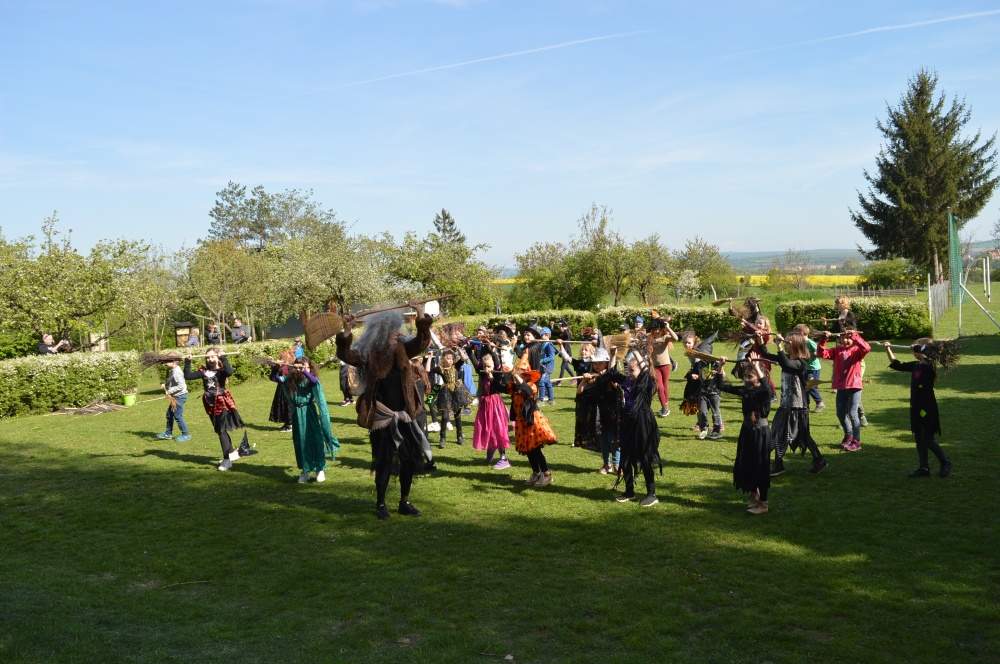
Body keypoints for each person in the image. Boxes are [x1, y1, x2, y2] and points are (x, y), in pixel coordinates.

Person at [336, 302, 433, 521]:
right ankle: (381, 504)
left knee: (409, 460)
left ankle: (404, 502)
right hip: (382, 415)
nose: (396, 333)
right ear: (381, 332)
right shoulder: (369, 353)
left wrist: (420, 313)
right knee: (384, 462)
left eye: (395, 329)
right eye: (391, 330)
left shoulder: (402, 348)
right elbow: (346, 355)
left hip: (405, 414)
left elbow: (423, 341)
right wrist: (347, 330)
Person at [758, 334, 828, 476]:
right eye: (785, 343)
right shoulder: (786, 359)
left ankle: (819, 460)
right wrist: (760, 341)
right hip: (786, 405)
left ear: (796, 346)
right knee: (778, 433)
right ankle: (778, 464)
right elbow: (766, 355)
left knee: (803, 435)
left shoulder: (800, 363)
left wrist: (779, 347)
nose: (785, 345)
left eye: (787, 343)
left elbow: (787, 364)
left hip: (798, 407)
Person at [883, 340, 953, 478]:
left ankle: (945, 462)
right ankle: (924, 468)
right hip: (915, 406)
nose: (914, 353)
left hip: (927, 408)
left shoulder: (930, 365)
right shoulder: (916, 365)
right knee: (919, 439)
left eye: (917, 350)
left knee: (927, 439)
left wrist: (918, 348)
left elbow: (926, 359)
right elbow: (897, 364)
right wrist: (888, 349)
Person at [184, 348, 256, 470]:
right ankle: (231, 452)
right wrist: (187, 362)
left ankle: (227, 460)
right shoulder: (203, 371)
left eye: (212, 357)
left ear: (217, 357)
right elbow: (188, 376)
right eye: (207, 357)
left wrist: (223, 357)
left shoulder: (222, 371)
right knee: (219, 430)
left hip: (221, 402)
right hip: (209, 403)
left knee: (221, 429)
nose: (210, 359)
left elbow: (230, 372)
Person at [718, 355, 772, 515]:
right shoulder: (745, 390)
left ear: (759, 376)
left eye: (750, 376)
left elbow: (767, 389)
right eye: (745, 376)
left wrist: (756, 367)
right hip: (747, 431)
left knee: (760, 466)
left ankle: (763, 504)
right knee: (747, 463)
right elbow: (721, 386)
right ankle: (754, 494)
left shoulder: (763, 392)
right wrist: (721, 366)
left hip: (760, 434)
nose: (746, 379)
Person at [273, 356, 339, 483]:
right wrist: (276, 368)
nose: (305, 369)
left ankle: (320, 469)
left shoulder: (310, 379)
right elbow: (275, 378)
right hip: (297, 413)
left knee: (315, 439)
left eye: (307, 367)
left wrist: (304, 370)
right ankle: (305, 471)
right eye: (302, 367)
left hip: (309, 412)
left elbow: (314, 382)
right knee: (300, 441)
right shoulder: (290, 379)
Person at [612, 349, 661, 507]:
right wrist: (612, 355)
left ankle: (651, 494)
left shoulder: (646, 383)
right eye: (627, 369)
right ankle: (629, 491)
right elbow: (612, 373)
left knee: (645, 458)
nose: (629, 372)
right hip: (628, 423)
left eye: (632, 369)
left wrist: (636, 352)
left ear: (641, 369)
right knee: (625, 457)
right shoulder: (627, 382)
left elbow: (645, 370)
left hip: (643, 424)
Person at [507, 353, 558, 487]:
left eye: (521, 374)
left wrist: (516, 376)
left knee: (535, 449)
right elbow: (500, 388)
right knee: (528, 449)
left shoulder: (531, 386)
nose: (517, 377)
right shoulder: (515, 388)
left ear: (527, 376)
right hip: (521, 422)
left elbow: (527, 390)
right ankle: (536, 472)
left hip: (532, 422)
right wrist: (490, 376)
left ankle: (547, 474)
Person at [816, 327, 870, 452]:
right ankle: (848, 436)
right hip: (841, 387)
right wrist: (823, 340)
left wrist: (855, 336)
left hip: (854, 386)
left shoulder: (857, 351)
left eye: (848, 338)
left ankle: (856, 441)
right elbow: (821, 353)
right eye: (842, 338)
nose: (845, 340)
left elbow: (867, 348)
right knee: (840, 413)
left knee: (852, 413)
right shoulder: (837, 351)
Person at [576, 344, 622, 473]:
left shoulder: (612, 376)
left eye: (600, 363)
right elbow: (580, 392)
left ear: (606, 363)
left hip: (613, 414)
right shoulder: (593, 378)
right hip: (598, 414)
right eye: (595, 363)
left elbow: (617, 386)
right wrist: (584, 381)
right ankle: (606, 464)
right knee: (603, 440)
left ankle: (617, 464)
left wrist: (609, 374)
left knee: (613, 440)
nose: (597, 365)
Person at [470, 348, 511, 469]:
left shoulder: (497, 373)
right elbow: (474, 361)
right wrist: (467, 348)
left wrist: (493, 351)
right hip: (485, 404)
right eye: (485, 366)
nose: (487, 368)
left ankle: (503, 458)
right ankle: (491, 448)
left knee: (498, 429)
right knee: (487, 428)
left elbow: (497, 363)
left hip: (495, 404)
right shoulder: (482, 373)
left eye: (489, 366)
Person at [430, 348, 472, 448]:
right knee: (444, 416)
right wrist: (430, 357)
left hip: (456, 392)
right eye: (448, 358)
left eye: (452, 359)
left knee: (457, 415)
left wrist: (459, 350)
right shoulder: (440, 368)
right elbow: (428, 370)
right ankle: (442, 438)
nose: (450, 361)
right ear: (443, 359)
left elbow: (463, 358)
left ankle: (459, 436)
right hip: (446, 393)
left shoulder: (455, 366)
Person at [648, 315, 679, 417]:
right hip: (655, 366)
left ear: (662, 329)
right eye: (655, 329)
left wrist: (668, 327)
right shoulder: (650, 338)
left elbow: (676, 338)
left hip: (665, 365)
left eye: (659, 329)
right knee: (659, 387)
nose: (657, 331)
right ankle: (664, 407)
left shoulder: (665, 337)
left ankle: (666, 406)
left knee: (665, 386)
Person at [157, 352, 191, 442]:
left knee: (178, 416)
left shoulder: (177, 372)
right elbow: (172, 381)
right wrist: (166, 383)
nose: (165, 363)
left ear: (174, 361)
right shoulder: (173, 370)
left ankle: (186, 435)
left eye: (167, 361)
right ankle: (168, 434)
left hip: (180, 396)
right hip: (176, 396)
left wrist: (169, 391)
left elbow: (181, 386)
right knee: (169, 415)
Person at [793, 323, 825, 413]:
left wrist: (808, 355)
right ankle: (805, 405)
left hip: (813, 368)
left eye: (796, 333)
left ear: (801, 333)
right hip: (805, 367)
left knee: (811, 385)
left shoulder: (810, 343)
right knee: (805, 386)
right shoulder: (800, 343)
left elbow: (818, 353)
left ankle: (820, 403)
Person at [268, 350, 296, 433]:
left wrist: (276, 366)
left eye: (282, 358)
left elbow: (283, 374)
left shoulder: (289, 367)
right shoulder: (283, 367)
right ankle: (287, 423)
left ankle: (290, 424)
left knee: (287, 406)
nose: (280, 359)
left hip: (288, 390)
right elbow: (273, 377)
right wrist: (274, 365)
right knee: (282, 405)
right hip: (282, 389)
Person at [537, 327, 557, 405]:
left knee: (541, 382)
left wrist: (542, 361)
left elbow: (551, 357)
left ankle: (541, 400)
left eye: (542, 335)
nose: (540, 337)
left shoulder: (549, 345)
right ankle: (551, 399)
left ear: (547, 335)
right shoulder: (542, 344)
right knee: (548, 383)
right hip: (542, 366)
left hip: (547, 367)